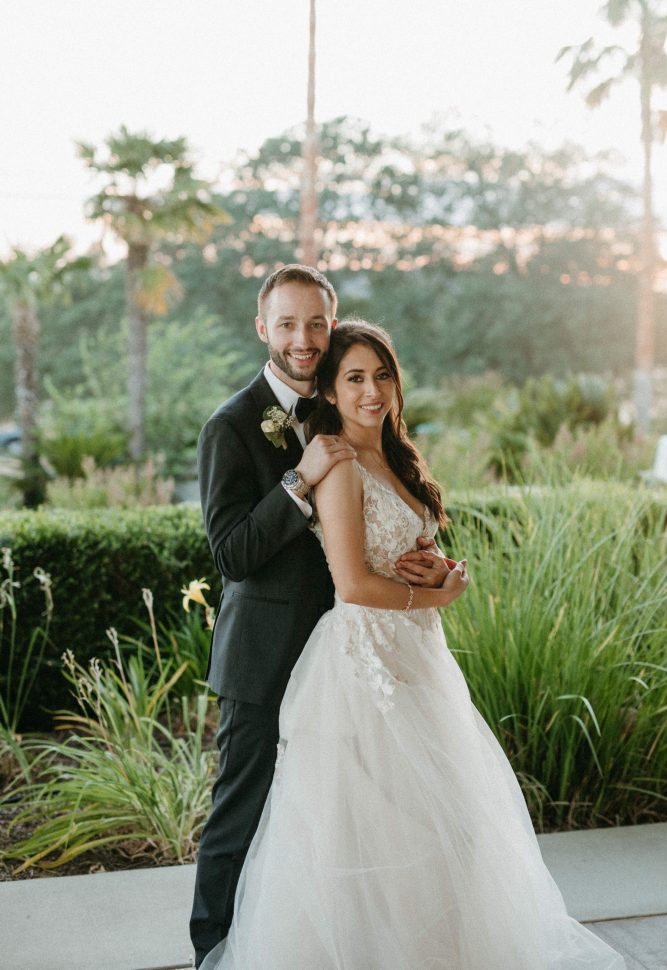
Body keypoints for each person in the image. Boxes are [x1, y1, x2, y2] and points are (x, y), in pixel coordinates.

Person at [199, 319, 625, 969]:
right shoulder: (338, 465)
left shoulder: (395, 457)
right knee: (390, 829)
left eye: (382, 375)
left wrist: (448, 569)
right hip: (364, 662)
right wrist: (440, 598)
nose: (372, 391)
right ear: (333, 394)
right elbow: (353, 584)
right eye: (354, 379)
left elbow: (410, 548)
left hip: (419, 658)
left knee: (448, 822)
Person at [190, 268, 448, 967]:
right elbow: (233, 553)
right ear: (262, 328)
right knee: (240, 814)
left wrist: (445, 570)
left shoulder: (349, 414)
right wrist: (297, 481)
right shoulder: (232, 425)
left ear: (330, 326)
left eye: (315, 324)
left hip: (349, 656)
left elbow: (394, 524)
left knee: (337, 819)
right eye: (286, 324)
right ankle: (214, 953)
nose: (302, 340)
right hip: (267, 654)